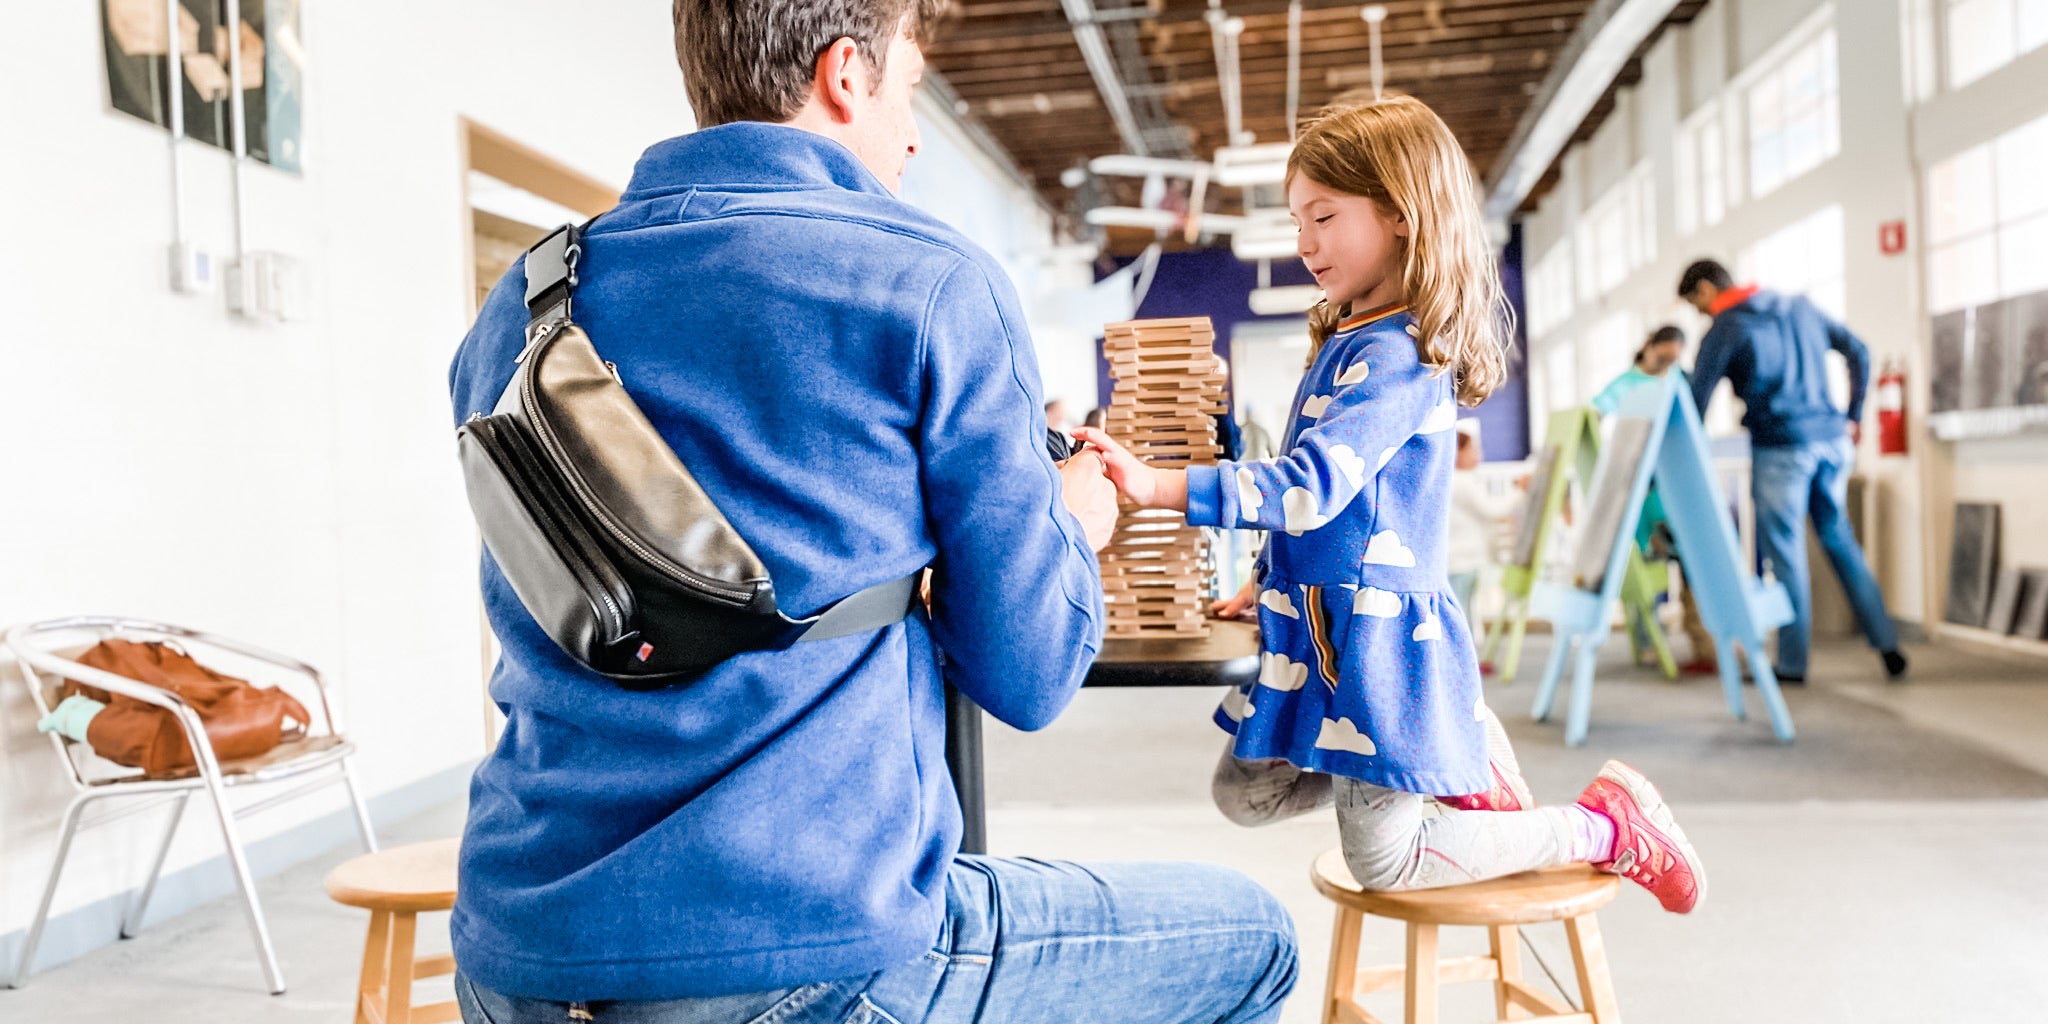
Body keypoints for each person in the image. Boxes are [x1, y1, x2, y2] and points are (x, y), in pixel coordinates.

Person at [444, 4, 1298, 1023]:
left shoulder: (530, 299)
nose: (913, 134)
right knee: (1254, 938)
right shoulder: (925, 280)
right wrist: (1067, 522)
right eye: (910, 92)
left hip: (516, 947)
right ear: (845, 74)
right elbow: (1025, 678)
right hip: (798, 943)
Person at [1077, 95, 1706, 913]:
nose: (1303, 243)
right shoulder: (1349, 333)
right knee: (1244, 792)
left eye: (1323, 217)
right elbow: (1333, 501)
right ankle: (1454, 757)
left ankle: (1603, 829)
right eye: (1298, 219)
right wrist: (1265, 575)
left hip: (1376, 639)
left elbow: (1306, 485)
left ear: (1402, 215)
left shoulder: (1402, 349)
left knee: (1386, 863)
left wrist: (1160, 486)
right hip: (1315, 628)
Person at [1679, 259, 1909, 683]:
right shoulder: (1800, 307)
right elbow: (1858, 349)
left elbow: (1696, 401)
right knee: (1840, 540)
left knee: (1785, 554)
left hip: (1781, 447)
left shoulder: (1726, 329)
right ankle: (1888, 646)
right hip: (1832, 442)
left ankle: (1792, 664)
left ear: (1708, 290)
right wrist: (1853, 416)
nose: (1701, 314)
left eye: (1697, 304)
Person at [1593, 325, 1716, 674]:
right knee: (1645, 569)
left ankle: (1703, 645)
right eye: (1662, 357)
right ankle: (1648, 642)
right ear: (1648, 346)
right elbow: (1597, 411)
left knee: (1693, 567)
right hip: (1643, 494)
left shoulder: (1679, 381)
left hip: (1678, 488)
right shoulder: (1624, 385)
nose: (1666, 366)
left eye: (1673, 360)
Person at [1446, 427, 1520, 629]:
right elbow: (1492, 509)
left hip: (1457, 558)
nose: (1478, 455)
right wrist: (1517, 489)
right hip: (1462, 560)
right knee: (1462, 609)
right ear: (1456, 452)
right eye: (1471, 449)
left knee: (1463, 606)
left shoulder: (1452, 481)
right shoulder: (1461, 482)